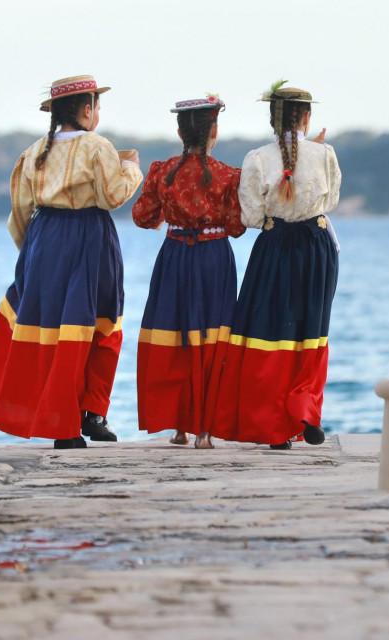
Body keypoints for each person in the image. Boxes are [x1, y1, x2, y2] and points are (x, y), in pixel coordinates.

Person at [0, 75, 143, 449]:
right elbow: (113, 196)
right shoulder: (98, 147)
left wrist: (35, 256)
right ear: (87, 110)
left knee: (57, 333)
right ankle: (91, 413)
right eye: (97, 107)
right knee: (98, 323)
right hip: (89, 239)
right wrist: (132, 167)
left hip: (44, 243)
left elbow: (20, 213)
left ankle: (65, 421)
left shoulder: (35, 151)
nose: (98, 114)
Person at [212, 81, 341, 450]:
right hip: (316, 249)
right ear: (306, 118)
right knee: (311, 334)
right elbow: (329, 201)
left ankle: (275, 429)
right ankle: (305, 410)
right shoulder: (325, 154)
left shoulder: (256, 159)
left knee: (270, 337)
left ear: (272, 118)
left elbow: (251, 217)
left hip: (274, 248)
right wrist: (311, 152)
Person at [132, 94, 245, 449]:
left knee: (175, 336)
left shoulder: (161, 171)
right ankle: (206, 431)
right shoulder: (228, 175)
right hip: (214, 258)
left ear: (180, 132)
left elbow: (142, 216)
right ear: (213, 132)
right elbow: (237, 226)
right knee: (213, 338)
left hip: (174, 256)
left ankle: (179, 427)